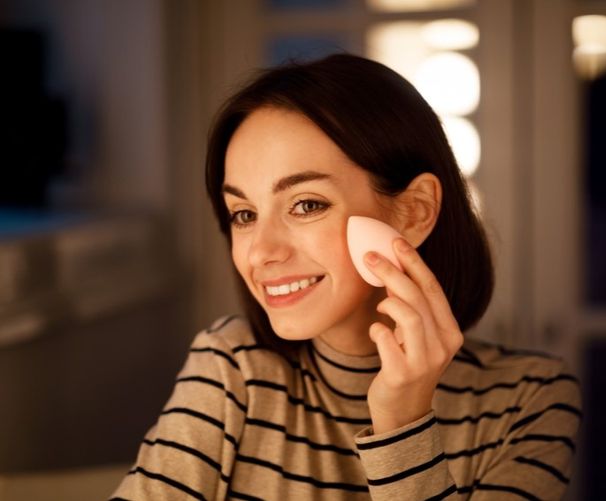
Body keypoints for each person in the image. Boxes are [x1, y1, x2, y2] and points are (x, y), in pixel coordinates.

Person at [111, 53, 581, 500]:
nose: (262, 251)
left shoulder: (530, 399)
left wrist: (403, 423)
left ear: (414, 211)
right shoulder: (231, 367)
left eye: (306, 205)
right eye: (243, 214)